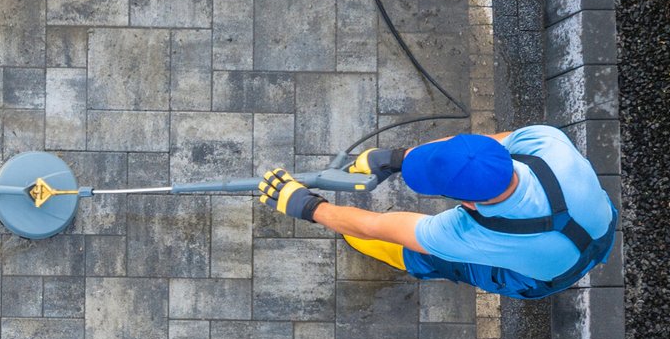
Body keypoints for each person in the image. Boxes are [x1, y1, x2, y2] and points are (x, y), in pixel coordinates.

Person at [256, 125, 617, 299]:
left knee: (424, 254)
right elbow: (481, 145)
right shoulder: (545, 142)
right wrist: (398, 158)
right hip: (600, 228)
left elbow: (376, 226)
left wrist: (308, 206)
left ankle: (405, 262)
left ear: (467, 203)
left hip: (549, 274)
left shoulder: (468, 234)